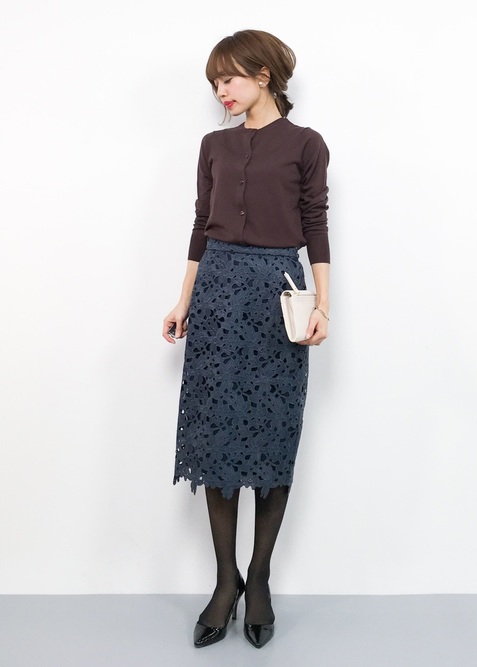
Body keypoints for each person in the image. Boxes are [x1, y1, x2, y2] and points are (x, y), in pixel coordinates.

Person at [162, 29, 330, 649]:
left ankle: (257, 579)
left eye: (228, 78)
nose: (220, 91)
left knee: (271, 435)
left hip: (277, 296)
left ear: (263, 75)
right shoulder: (214, 145)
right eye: (214, 82)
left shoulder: (306, 144)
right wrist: (183, 301)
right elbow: (201, 225)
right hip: (216, 295)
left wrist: (324, 307)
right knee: (215, 439)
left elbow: (315, 224)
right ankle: (224, 582)